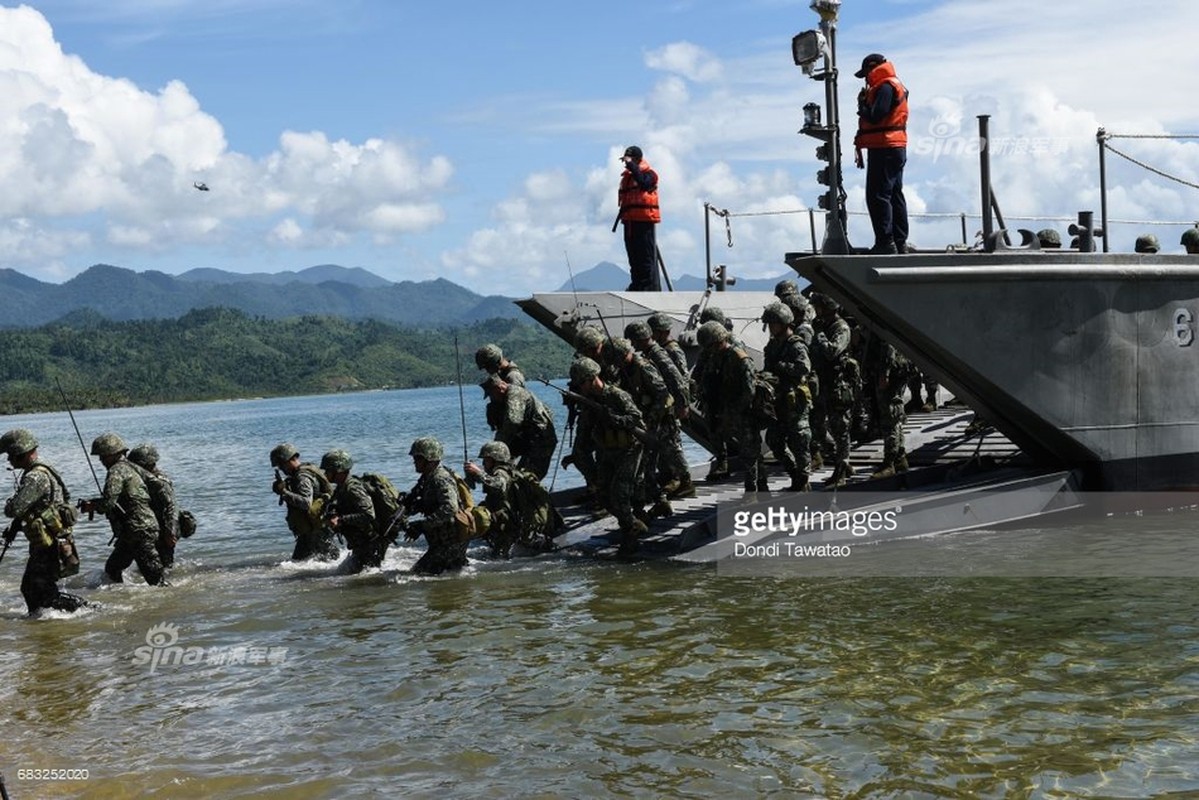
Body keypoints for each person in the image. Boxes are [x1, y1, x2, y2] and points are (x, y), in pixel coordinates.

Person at [1, 429, 87, 615]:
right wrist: (15, 528)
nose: (8, 460)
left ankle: (85, 610)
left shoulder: (35, 477)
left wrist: (10, 504)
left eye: (10, 455)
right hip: (51, 538)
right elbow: (35, 508)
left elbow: (15, 508)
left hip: (50, 541)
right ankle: (41, 620)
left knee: (36, 588)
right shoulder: (44, 470)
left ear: (19, 453)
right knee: (36, 587)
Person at [571, 357, 648, 555]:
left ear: (591, 379)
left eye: (582, 383)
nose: (580, 387)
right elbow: (586, 430)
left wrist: (614, 418)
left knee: (619, 494)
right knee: (603, 495)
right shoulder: (590, 401)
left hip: (629, 449)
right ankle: (632, 524)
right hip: (607, 450)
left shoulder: (617, 395)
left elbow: (635, 418)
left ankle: (630, 536)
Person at [83, 432, 166, 586]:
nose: (101, 460)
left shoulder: (116, 471)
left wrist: (92, 505)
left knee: (156, 580)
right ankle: (121, 594)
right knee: (113, 568)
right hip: (134, 530)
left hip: (138, 530)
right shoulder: (133, 467)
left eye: (103, 456)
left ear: (113, 454)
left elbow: (108, 502)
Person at [698, 321, 766, 494]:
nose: (709, 351)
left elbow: (749, 391)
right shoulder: (716, 358)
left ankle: (752, 492)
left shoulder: (739, 358)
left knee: (749, 452)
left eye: (711, 346)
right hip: (729, 410)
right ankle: (761, 488)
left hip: (744, 412)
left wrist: (737, 411)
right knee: (750, 452)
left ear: (719, 341)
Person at [853, 54, 910, 255]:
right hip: (896, 146)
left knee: (877, 195)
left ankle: (885, 242)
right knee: (894, 194)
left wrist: (862, 107)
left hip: (884, 147)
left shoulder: (885, 87)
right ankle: (899, 241)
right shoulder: (897, 85)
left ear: (872, 68)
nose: (866, 79)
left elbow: (877, 116)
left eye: (866, 74)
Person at [465, 441, 559, 558]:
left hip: (507, 523)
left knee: (498, 558)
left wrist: (479, 472)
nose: (483, 463)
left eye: (486, 459)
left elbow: (497, 484)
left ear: (496, 459)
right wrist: (472, 474)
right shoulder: (500, 471)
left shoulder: (501, 472)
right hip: (509, 521)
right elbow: (483, 482)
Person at [761, 303, 813, 492]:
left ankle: (803, 480)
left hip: (795, 401)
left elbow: (804, 368)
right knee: (774, 440)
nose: (771, 328)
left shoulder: (796, 344)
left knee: (799, 441)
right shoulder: (772, 345)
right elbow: (768, 368)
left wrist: (783, 367)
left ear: (783, 323)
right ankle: (795, 474)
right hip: (778, 401)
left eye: (773, 323)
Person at [811, 295, 858, 487]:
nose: (816, 310)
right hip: (823, 384)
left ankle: (841, 470)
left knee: (841, 429)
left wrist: (820, 335)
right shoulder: (822, 325)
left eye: (818, 307)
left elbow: (833, 352)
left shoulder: (841, 328)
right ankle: (840, 460)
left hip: (838, 385)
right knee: (817, 424)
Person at [404, 437, 469, 575]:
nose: (414, 461)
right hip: (442, 542)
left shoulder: (440, 478)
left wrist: (422, 525)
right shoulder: (428, 477)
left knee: (416, 575)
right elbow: (432, 503)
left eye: (418, 458)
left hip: (449, 543)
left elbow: (450, 507)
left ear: (430, 459)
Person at [480, 374, 558, 480]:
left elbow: (513, 422)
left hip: (542, 440)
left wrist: (497, 446)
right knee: (510, 469)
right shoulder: (506, 397)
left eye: (492, 395)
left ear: (500, 388)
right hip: (528, 439)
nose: (492, 399)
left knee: (529, 476)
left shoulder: (515, 394)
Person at [269, 442, 338, 561]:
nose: (280, 468)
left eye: (280, 465)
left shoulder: (302, 477)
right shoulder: (301, 474)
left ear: (287, 461)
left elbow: (305, 503)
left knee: (328, 561)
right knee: (305, 562)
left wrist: (284, 492)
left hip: (316, 530)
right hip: (312, 529)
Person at [319, 449, 384, 573]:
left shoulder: (353, 488)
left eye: (328, 470)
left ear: (338, 470)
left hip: (369, 545)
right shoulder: (341, 488)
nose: (325, 473)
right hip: (360, 546)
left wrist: (341, 520)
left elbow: (368, 515)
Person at [128, 443, 180, 569]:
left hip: (163, 528)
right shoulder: (140, 480)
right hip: (148, 526)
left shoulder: (161, 481)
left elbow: (172, 506)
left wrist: (170, 532)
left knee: (165, 565)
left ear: (149, 464)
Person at [617, 145, 662, 291]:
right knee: (633, 257)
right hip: (629, 222)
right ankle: (636, 284)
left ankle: (648, 286)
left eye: (628, 160)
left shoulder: (650, 174)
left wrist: (632, 165)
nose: (626, 163)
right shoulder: (628, 178)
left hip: (644, 222)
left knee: (645, 257)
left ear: (637, 159)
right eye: (625, 161)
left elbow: (644, 183)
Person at [870, 341, 911, 479]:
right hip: (891, 372)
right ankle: (900, 458)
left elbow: (888, 342)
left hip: (890, 375)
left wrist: (885, 373)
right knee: (894, 418)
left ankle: (889, 463)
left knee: (890, 417)